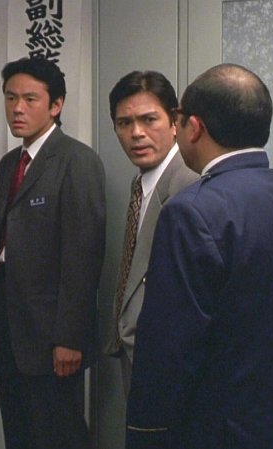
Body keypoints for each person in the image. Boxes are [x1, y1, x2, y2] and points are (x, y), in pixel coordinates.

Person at [124, 63, 273, 448]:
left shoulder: (190, 211)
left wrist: (145, 434)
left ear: (194, 127)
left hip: (211, 428)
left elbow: (168, 351)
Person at [0, 57, 106, 449]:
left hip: (52, 334)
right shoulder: (9, 164)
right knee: (19, 434)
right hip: (7, 323)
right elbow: (1, 246)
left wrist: (71, 337)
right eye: (10, 97)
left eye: (30, 99)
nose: (17, 108)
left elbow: (84, 258)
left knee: (59, 435)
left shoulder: (77, 160)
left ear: (56, 105)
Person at [102, 71, 198, 398]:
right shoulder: (142, 182)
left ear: (175, 122)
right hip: (137, 350)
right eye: (124, 123)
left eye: (149, 119)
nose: (136, 133)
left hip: (171, 361)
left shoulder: (189, 182)